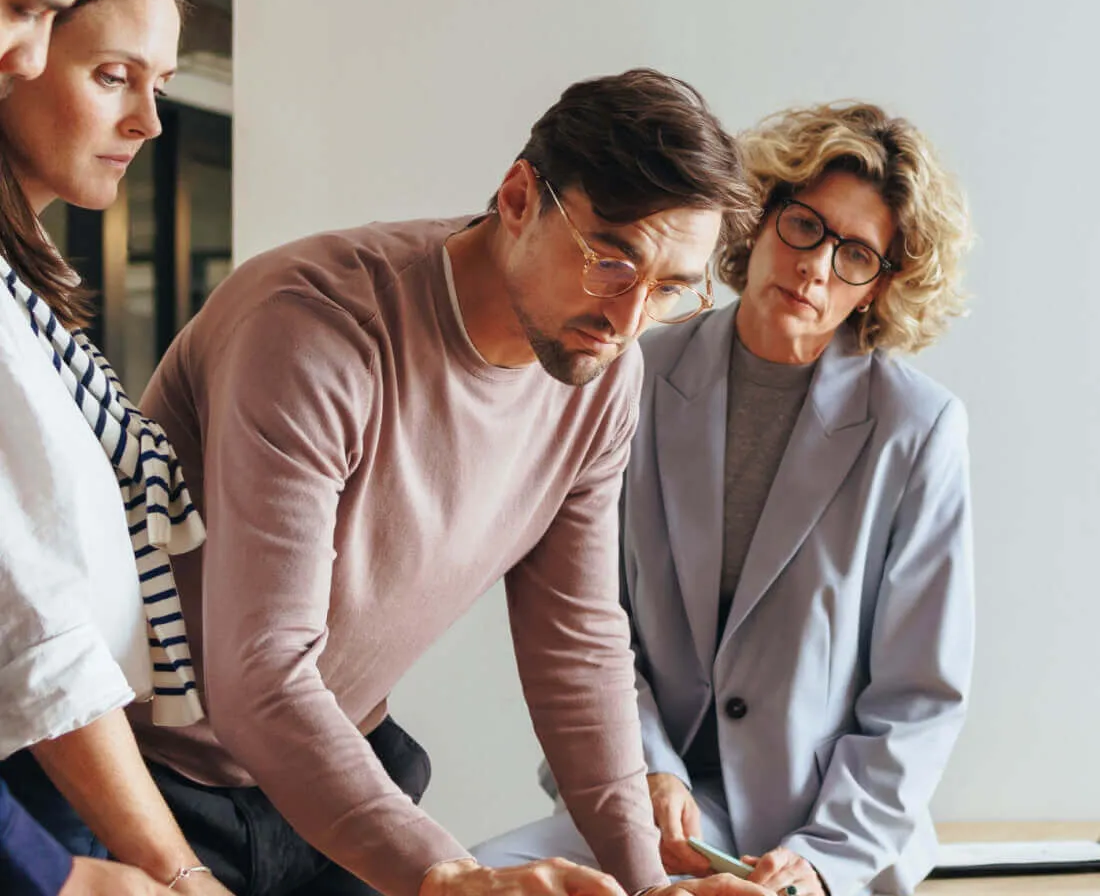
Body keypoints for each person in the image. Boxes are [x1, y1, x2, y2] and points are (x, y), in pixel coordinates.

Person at [130, 68, 776, 896]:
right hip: (149, 782)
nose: (628, 321)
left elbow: (576, 641)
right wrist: (445, 874)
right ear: (516, 198)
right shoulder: (314, 329)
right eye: (612, 262)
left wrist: (647, 881)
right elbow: (260, 671)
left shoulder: (602, 375)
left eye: (672, 289)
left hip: (339, 773)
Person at [473, 102, 976, 896]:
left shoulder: (917, 430)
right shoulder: (632, 372)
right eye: (806, 226)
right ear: (760, 218)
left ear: (883, 286)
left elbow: (917, 698)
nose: (816, 266)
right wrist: (645, 770)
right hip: (655, 809)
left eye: (856, 255)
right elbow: (589, 620)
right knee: (475, 881)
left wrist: (822, 862)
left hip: (822, 836)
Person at [0, 0, 232, 896]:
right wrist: (163, 870)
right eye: (111, 75)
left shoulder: (31, 302)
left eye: (161, 86)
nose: (147, 122)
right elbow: (35, 623)